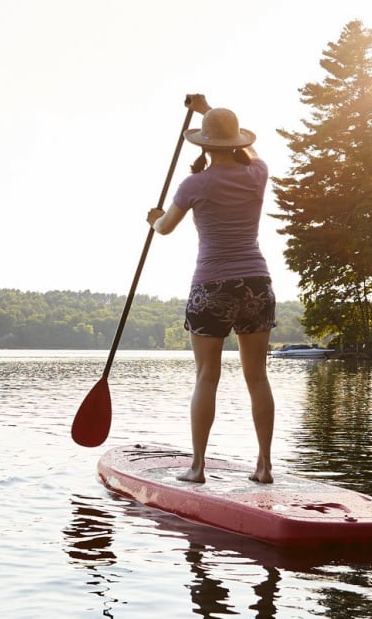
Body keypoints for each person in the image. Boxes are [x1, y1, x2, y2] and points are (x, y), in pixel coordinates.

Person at [147, 94, 277, 484]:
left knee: (207, 376)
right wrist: (209, 112)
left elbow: (165, 228)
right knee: (258, 377)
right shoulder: (257, 174)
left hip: (211, 287)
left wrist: (153, 220)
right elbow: (250, 152)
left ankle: (198, 467)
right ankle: (265, 466)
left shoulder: (194, 184)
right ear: (237, 142)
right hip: (256, 284)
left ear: (202, 145)